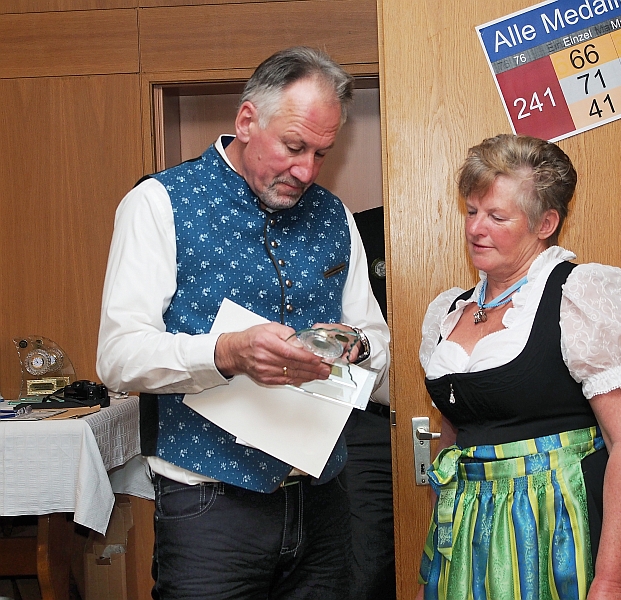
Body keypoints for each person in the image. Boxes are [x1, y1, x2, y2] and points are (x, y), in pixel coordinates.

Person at [96, 46, 389, 600]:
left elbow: (377, 340)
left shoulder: (335, 216)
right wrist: (225, 353)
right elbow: (118, 356)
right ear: (247, 121)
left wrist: (356, 346)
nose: (306, 171)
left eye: (321, 154)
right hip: (210, 510)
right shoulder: (159, 203)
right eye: (294, 147)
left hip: (323, 503)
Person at [416, 134, 621, 600]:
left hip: (563, 531)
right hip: (472, 536)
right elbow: (453, 443)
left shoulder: (578, 296)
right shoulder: (449, 312)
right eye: (472, 211)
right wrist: (436, 570)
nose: (476, 228)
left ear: (546, 223)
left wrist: (611, 581)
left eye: (497, 216)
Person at [342, 206, 396, 600]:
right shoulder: (362, 228)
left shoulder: (489, 233)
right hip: (369, 421)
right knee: (365, 569)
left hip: (467, 425)